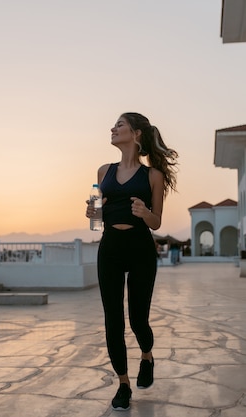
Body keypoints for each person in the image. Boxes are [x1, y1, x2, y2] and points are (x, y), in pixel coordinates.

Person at [85, 112, 178, 411]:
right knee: (113, 319)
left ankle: (147, 356)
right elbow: (96, 221)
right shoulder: (103, 171)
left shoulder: (153, 176)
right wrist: (92, 213)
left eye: (120, 125)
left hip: (140, 248)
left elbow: (157, 222)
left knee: (138, 319)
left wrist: (144, 212)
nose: (113, 129)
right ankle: (123, 384)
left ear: (136, 134)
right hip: (110, 246)